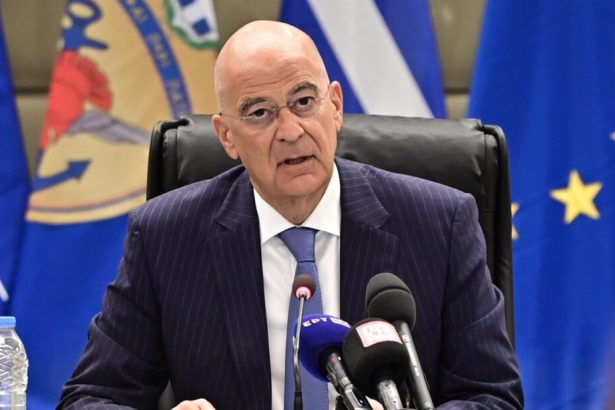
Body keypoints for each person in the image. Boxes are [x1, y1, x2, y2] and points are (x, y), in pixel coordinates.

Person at [58, 20, 523, 409]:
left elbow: (493, 396)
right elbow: (91, 397)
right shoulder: (166, 237)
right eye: (259, 112)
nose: (290, 131)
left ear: (335, 106)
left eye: (304, 102)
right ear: (226, 136)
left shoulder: (440, 223)